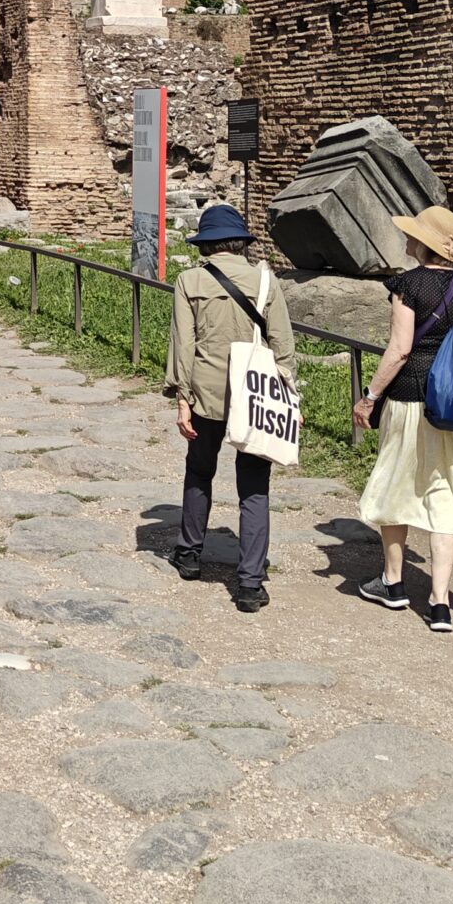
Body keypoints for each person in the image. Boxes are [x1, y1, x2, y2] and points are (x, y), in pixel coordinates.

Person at [352, 205, 453, 634]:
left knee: (397, 483)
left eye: (412, 235)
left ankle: (393, 583)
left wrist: (369, 396)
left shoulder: (408, 286)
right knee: (447, 497)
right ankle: (439, 603)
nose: (407, 240)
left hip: (411, 398)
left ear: (424, 244)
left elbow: (399, 349)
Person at [166, 203, 293, 613]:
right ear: (241, 243)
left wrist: (182, 399)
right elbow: (283, 348)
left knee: (200, 470)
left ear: (206, 244)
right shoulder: (265, 282)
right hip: (254, 397)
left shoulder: (190, 280)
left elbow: (183, 346)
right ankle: (250, 584)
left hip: (206, 394)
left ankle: (189, 554)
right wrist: (288, 401)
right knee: (254, 488)